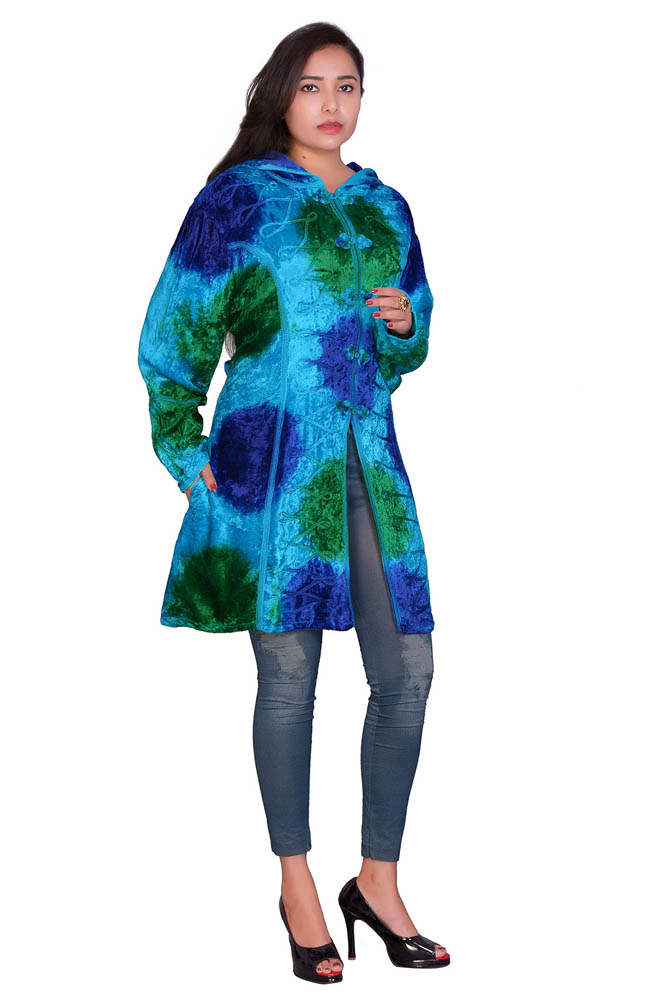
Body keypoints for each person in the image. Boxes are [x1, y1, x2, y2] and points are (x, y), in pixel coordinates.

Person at [138, 21, 449, 983]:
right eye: (312, 85)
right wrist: (184, 446)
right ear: (281, 93)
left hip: (369, 464)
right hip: (271, 466)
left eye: (347, 85)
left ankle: (378, 881)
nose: (330, 103)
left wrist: (403, 323)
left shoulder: (386, 207)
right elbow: (174, 328)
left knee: (407, 672)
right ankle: (298, 883)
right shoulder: (237, 199)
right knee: (288, 680)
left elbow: (408, 342)